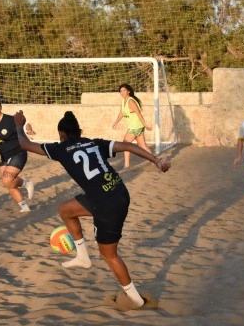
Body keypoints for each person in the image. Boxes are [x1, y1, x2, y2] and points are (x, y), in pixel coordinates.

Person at [14, 110, 170, 309]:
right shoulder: (94, 143)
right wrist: (157, 160)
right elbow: (128, 145)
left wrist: (19, 125)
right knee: (65, 210)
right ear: (79, 131)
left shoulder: (61, 148)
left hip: (106, 204)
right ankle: (82, 256)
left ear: (61, 134)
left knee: (109, 255)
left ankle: (137, 301)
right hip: (119, 193)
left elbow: (24, 144)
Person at [112, 83, 152, 168]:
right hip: (135, 126)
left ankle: (126, 165)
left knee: (125, 145)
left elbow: (139, 113)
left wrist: (145, 124)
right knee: (142, 146)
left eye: (124, 90)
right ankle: (155, 160)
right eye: (121, 91)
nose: (122, 92)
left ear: (128, 91)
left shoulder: (131, 101)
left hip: (135, 126)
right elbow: (122, 113)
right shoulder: (124, 101)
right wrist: (116, 122)